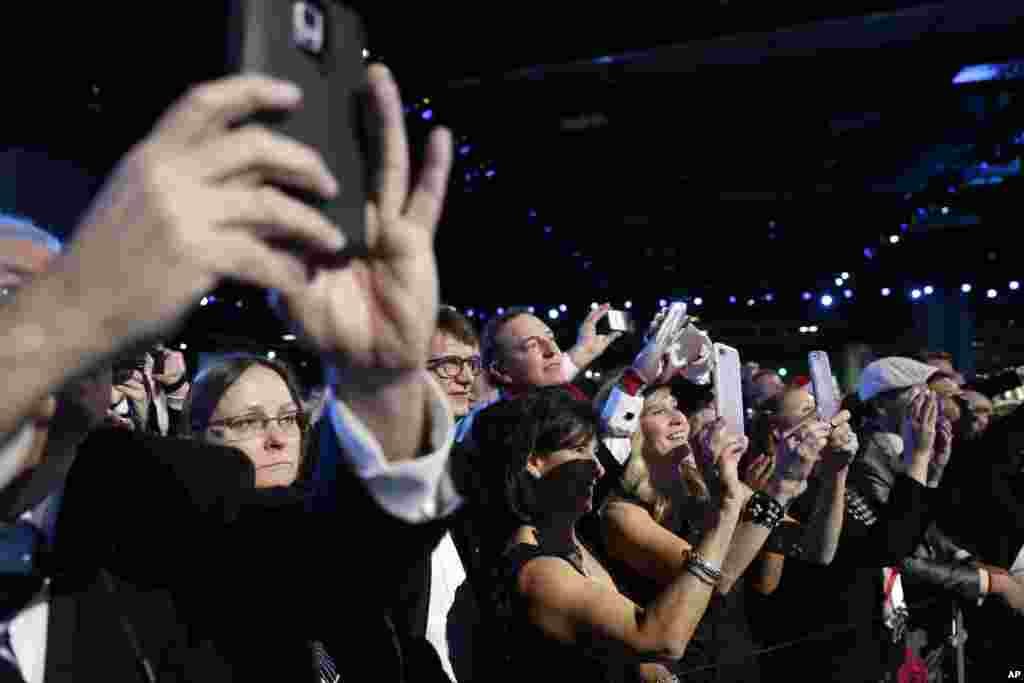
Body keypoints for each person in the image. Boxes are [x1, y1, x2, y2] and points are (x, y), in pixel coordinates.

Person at [1, 63, 458, 682]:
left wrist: (381, 387)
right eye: (14, 299)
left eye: (68, 287)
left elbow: (339, 575)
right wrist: (70, 307)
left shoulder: (157, 487)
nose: (74, 321)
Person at [469, 386, 753, 683]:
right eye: (580, 451)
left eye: (594, 451)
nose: (599, 468)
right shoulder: (540, 571)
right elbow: (660, 640)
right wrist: (727, 510)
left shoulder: (570, 540)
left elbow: (630, 654)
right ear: (534, 462)